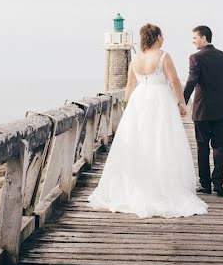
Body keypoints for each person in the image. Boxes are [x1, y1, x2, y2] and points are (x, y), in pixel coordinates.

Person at [87, 23, 207, 218]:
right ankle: (161, 187)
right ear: (157, 37)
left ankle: (134, 188)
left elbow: (130, 85)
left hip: (139, 100)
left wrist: (127, 107)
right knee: (162, 142)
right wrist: (182, 103)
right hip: (160, 100)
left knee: (140, 141)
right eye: (162, 34)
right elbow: (175, 81)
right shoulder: (163, 56)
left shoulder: (136, 58)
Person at [184, 25, 223, 197]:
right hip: (222, 109)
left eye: (194, 38)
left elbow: (191, 82)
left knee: (202, 146)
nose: (193, 42)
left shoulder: (195, 58)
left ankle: (205, 184)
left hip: (202, 110)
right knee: (219, 145)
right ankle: (219, 183)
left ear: (204, 38)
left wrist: (182, 102)